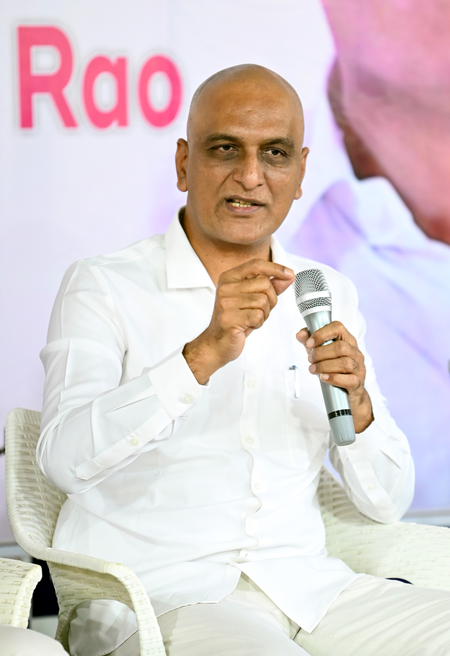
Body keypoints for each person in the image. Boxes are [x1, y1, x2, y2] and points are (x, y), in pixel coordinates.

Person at [37, 64, 449, 655]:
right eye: (225, 148)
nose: (251, 176)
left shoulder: (325, 290)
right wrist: (200, 355)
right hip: (164, 598)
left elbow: (387, 501)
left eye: (274, 153)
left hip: (308, 591)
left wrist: (358, 407)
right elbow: (62, 461)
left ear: (300, 172)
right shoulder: (104, 285)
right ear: (184, 163)